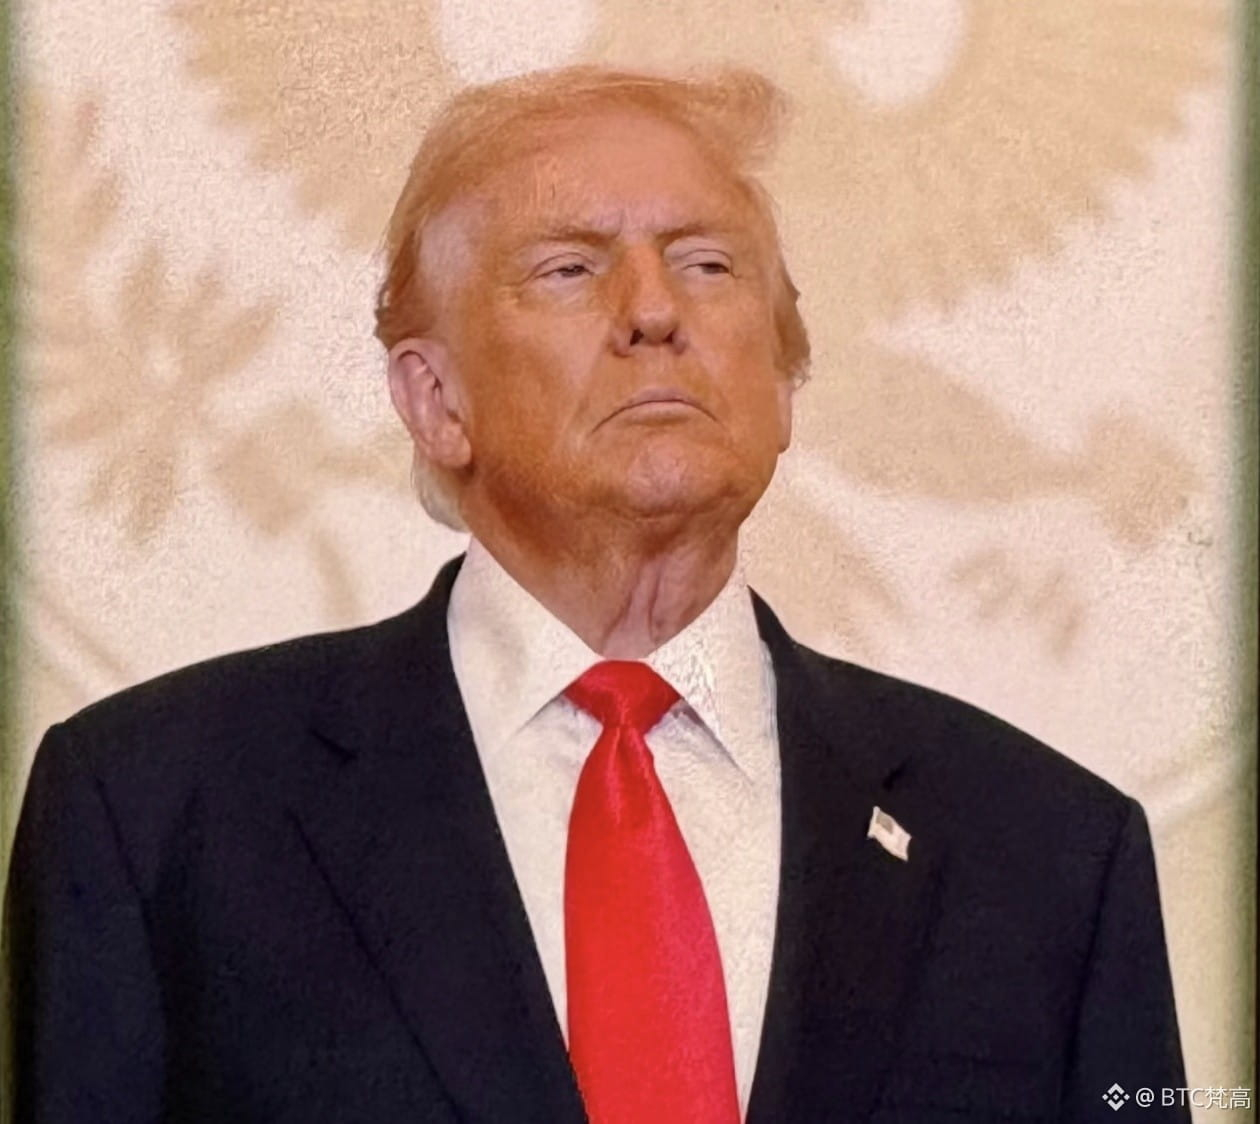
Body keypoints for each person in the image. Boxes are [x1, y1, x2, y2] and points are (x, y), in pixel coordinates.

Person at [5, 66, 1187, 1123]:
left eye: (708, 263)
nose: (656, 310)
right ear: (435, 401)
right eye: (570, 268)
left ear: (784, 382)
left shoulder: (1049, 853)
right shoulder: (153, 812)